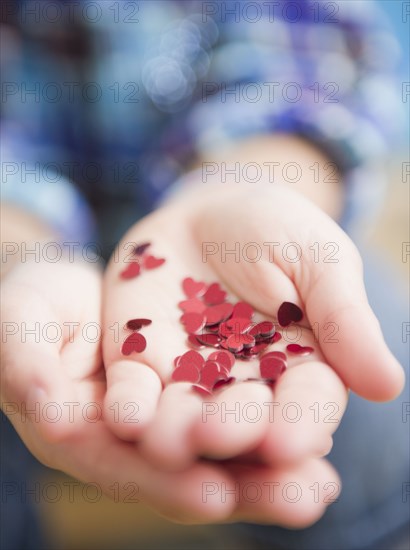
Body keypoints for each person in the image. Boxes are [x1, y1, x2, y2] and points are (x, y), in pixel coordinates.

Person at [1, 1, 408, 549]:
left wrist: (247, 183)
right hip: (24, 257)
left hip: (245, 229)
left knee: (379, 427)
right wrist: (21, 256)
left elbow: (312, 56)